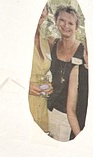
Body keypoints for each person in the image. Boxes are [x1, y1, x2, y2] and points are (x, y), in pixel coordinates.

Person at [48, 6, 88, 141]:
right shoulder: (51, 44)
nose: (66, 26)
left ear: (77, 27)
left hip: (69, 118)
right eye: (62, 20)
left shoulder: (84, 52)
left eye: (71, 23)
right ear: (56, 21)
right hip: (47, 110)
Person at [28, 4, 52, 133]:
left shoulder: (44, 40)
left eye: (43, 8)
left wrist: (48, 84)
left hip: (41, 105)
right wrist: (25, 86)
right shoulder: (17, 37)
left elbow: (42, 70)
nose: (40, 12)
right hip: (24, 105)